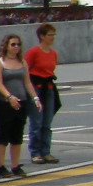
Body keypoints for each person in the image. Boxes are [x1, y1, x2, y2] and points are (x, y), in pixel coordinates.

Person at [0, 34, 38, 178]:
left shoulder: (22, 62)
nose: (16, 47)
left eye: (18, 44)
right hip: (4, 103)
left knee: (17, 135)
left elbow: (27, 82)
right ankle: (0, 166)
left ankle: (15, 165)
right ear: (6, 46)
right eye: (13, 44)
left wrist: (35, 98)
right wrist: (9, 97)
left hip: (21, 101)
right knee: (3, 134)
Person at [26, 23, 62, 165]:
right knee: (37, 121)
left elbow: (51, 70)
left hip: (48, 88)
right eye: (50, 35)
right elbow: (25, 70)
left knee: (47, 122)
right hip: (36, 87)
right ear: (42, 36)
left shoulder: (53, 53)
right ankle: (35, 152)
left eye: (54, 35)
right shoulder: (33, 52)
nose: (52, 37)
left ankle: (46, 151)